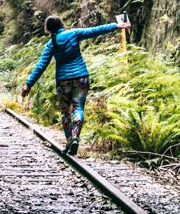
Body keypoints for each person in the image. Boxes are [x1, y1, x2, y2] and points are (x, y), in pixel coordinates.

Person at [20, 14, 131, 155]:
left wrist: (28, 84)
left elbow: (41, 66)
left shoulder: (50, 45)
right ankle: (75, 137)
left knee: (65, 113)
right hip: (81, 78)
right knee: (78, 108)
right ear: (61, 24)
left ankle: (69, 141)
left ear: (48, 29)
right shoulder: (73, 34)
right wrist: (117, 26)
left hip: (63, 81)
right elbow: (94, 31)